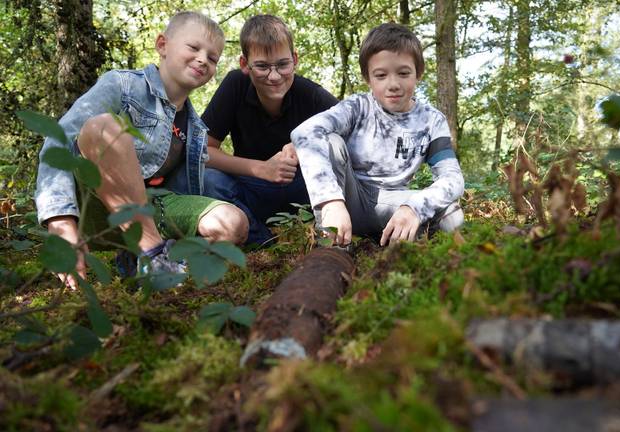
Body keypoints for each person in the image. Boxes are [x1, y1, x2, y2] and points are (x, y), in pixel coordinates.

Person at [34, 11, 248, 288]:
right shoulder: (122, 85)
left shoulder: (196, 129)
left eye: (212, 57)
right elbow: (59, 139)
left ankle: (139, 260)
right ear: (162, 45)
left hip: (153, 208)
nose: (202, 59)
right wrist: (60, 221)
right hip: (94, 205)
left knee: (233, 222)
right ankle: (154, 256)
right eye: (194, 48)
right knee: (103, 127)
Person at [291, 23, 465, 247]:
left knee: (453, 216)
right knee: (330, 142)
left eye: (403, 73)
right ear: (368, 78)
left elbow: (453, 178)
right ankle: (332, 241)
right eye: (381, 75)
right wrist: (330, 200)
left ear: (418, 73)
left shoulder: (432, 120)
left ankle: (399, 242)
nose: (393, 84)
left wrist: (414, 207)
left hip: (394, 207)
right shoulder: (357, 107)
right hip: (349, 200)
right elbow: (304, 132)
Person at [201, 14, 338, 246]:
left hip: (303, 190)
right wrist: (261, 169)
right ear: (245, 64)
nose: (274, 76)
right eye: (262, 66)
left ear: (294, 60)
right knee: (206, 179)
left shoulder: (311, 94)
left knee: (340, 159)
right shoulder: (235, 85)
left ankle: (325, 232)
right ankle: (262, 241)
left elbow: (354, 130)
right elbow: (204, 150)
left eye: (283, 64)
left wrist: (305, 143)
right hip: (251, 191)